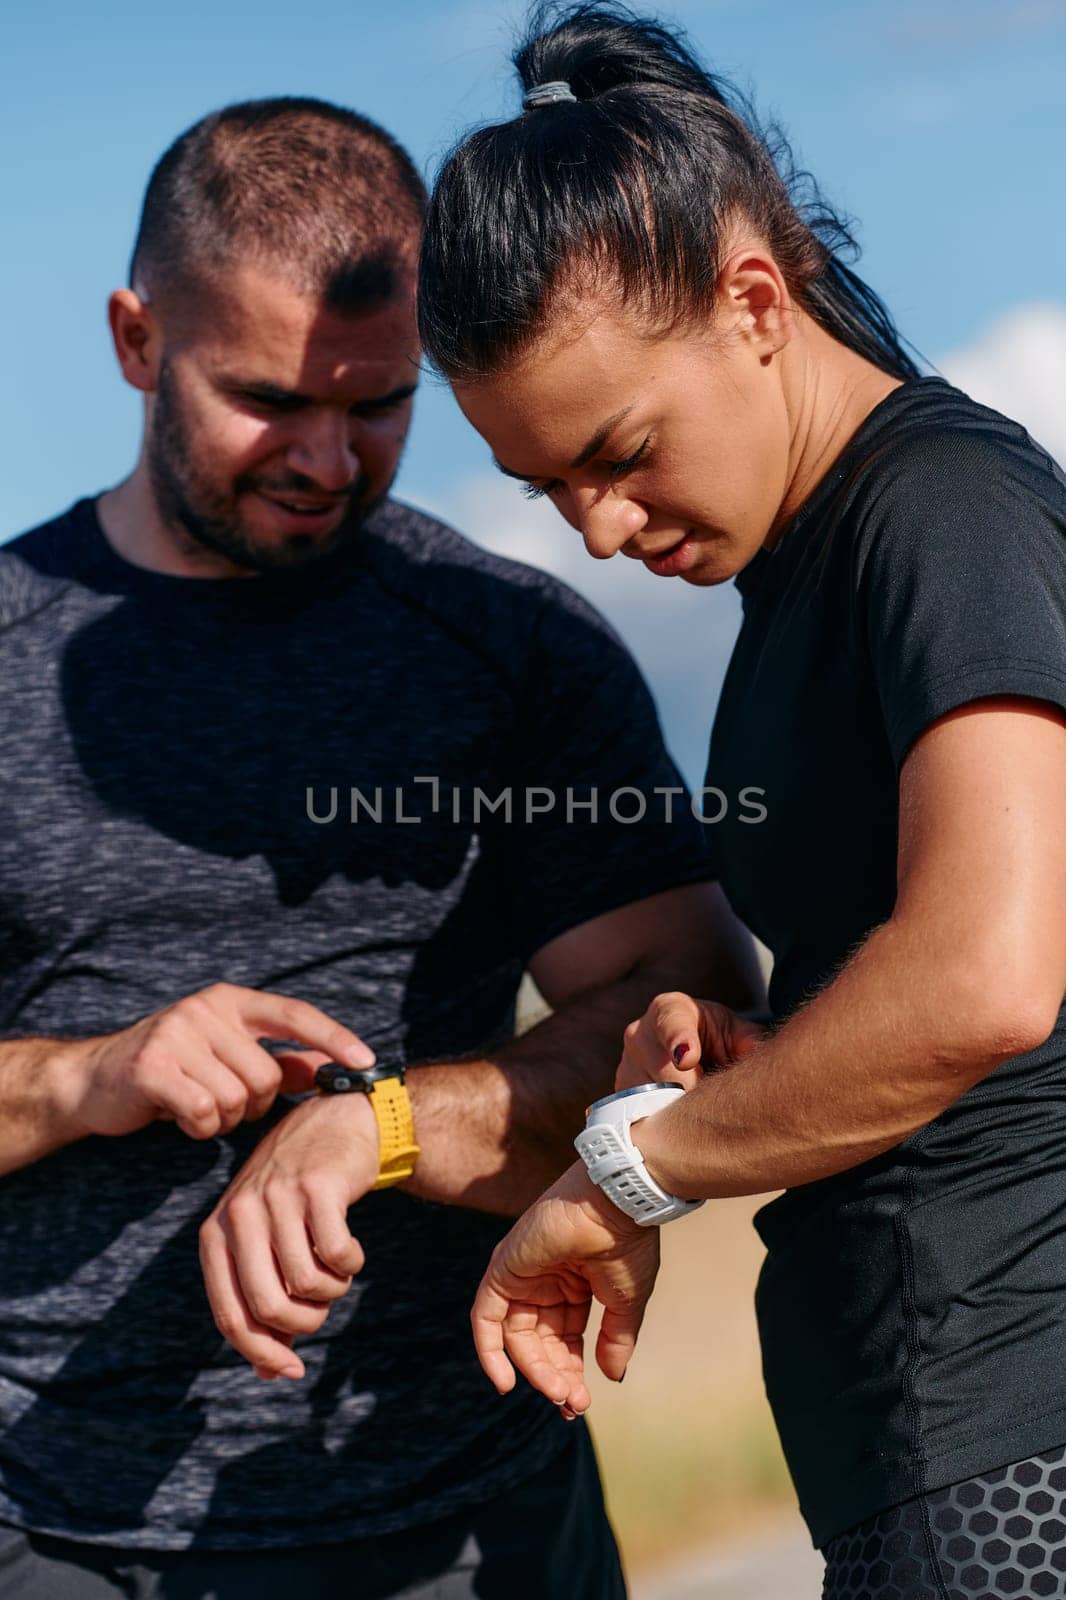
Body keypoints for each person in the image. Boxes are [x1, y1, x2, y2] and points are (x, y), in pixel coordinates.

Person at [0, 95, 765, 1600]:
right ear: (136, 340)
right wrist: (81, 1076)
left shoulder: (517, 647)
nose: (329, 459)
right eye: (270, 399)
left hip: (475, 1523)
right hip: (51, 1534)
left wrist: (392, 1119)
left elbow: (680, 1024)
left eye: (381, 403)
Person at [415, 5, 1066, 1597]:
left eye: (620, 452)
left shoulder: (941, 508)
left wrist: (628, 1170)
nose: (594, 526)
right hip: (923, 1428)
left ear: (753, 299)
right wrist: (745, 1058)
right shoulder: (804, 574)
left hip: (1011, 1427)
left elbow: (983, 984)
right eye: (543, 486)